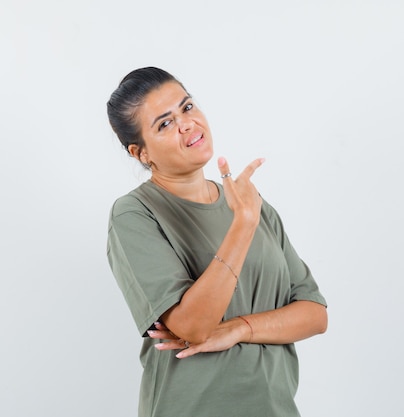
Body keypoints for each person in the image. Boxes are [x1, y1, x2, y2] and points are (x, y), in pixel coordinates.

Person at [106, 67, 328, 417]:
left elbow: (315, 314)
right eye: (164, 124)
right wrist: (242, 226)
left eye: (188, 107)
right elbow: (192, 327)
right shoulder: (134, 214)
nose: (187, 124)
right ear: (140, 153)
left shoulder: (250, 203)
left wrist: (239, 329)